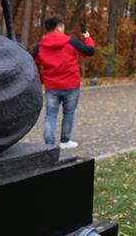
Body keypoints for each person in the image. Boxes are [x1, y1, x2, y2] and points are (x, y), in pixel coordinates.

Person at [32, 15, 95, 148]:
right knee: (69, 113)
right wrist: (87, 38)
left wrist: (43, 79)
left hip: (51, 86)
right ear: (59, 27)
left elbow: (33, 65)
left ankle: (49, 144)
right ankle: (65, 141)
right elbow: (90, 51)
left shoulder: (40, 47)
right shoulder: (70, 42)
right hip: (71, 85)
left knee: (50, 114)